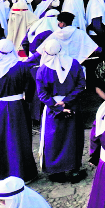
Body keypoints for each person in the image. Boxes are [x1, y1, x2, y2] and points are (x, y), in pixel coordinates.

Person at [0, 39, 40, 183]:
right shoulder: (21, 67)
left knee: (0, 140)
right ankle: (23, 173)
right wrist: (26, 100)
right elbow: (30, 87)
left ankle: (0, 174)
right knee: (19, 139)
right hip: (17, 107)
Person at [35, 39, 87, 183]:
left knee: (53, 139)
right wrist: (67, 101)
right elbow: (81, 85)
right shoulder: (74, 64)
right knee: (73, 138)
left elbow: (42, 94)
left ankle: (55, 171)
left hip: (53, 109)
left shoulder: (42, 70)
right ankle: (74, 169)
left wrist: (55, 105)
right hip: (72, 106)